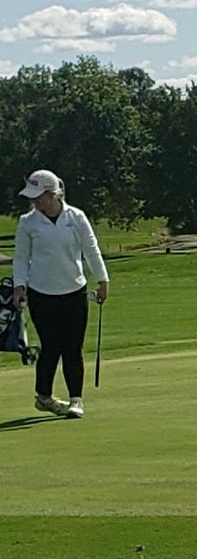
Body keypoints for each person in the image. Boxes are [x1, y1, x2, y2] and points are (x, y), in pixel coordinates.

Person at [12, 169, 109, 419]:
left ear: (53, 194)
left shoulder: (76, 217)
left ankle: (76, 400)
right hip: (41, 293)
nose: (35, 201)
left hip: (74, 291)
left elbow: (91, 249)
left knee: (72, 348)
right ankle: (43, 396)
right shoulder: (28, 222)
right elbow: (21, 258)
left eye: (39, 196)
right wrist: (19, 286)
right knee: (51, 346)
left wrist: (102, 280)